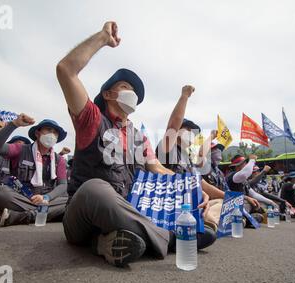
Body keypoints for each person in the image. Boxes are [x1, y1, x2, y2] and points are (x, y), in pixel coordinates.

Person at [56, 21, 214, 268]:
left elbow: (158, 170)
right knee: (95, 189)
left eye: (135, 93)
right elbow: (66, 70)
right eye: (125, 87)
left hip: (125, 212)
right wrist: (101, 38)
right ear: (108, 94)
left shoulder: (139, 137)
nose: (132, 94)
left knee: (135, 214)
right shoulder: (92, 119)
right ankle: (172, 238)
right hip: (83, 215)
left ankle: (109, 242)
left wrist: (191, 187)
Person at [155, 87, 225, 232]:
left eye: (193, 133)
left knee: (223, 202)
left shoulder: (189, 159)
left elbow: (202, 184)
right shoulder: (167, 148)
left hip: (192, 202)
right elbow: (172, 126)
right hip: (173, 203)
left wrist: (234, 197)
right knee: (213, 208)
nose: (191, 134)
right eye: (187, 129)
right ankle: (208, 224)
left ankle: (210, 222)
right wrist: (184, 96)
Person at [0, 116, 68, 227]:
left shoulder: (59, 159)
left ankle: (24, 216)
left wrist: (46, 197)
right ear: (38, 133)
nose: (52, 134)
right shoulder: (21, 149)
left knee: (72, 201)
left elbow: (62, 185)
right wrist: (14, 124)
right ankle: (47, 213)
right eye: (48, 130)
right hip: (21, 198)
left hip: (46, 200)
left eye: (55, 132)